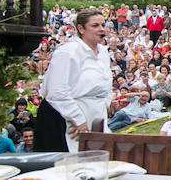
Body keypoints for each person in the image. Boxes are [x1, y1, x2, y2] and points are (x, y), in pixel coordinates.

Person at [34, 8, 113, 152]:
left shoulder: (103, 53)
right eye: (95, 26)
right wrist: (78, 119)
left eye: (103, 25)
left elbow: (106, 84)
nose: (101, 29)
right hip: (62, 116)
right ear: (81, 28)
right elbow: (56, 91)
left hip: (94, 115)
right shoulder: (67, 52)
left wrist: (104, 106)